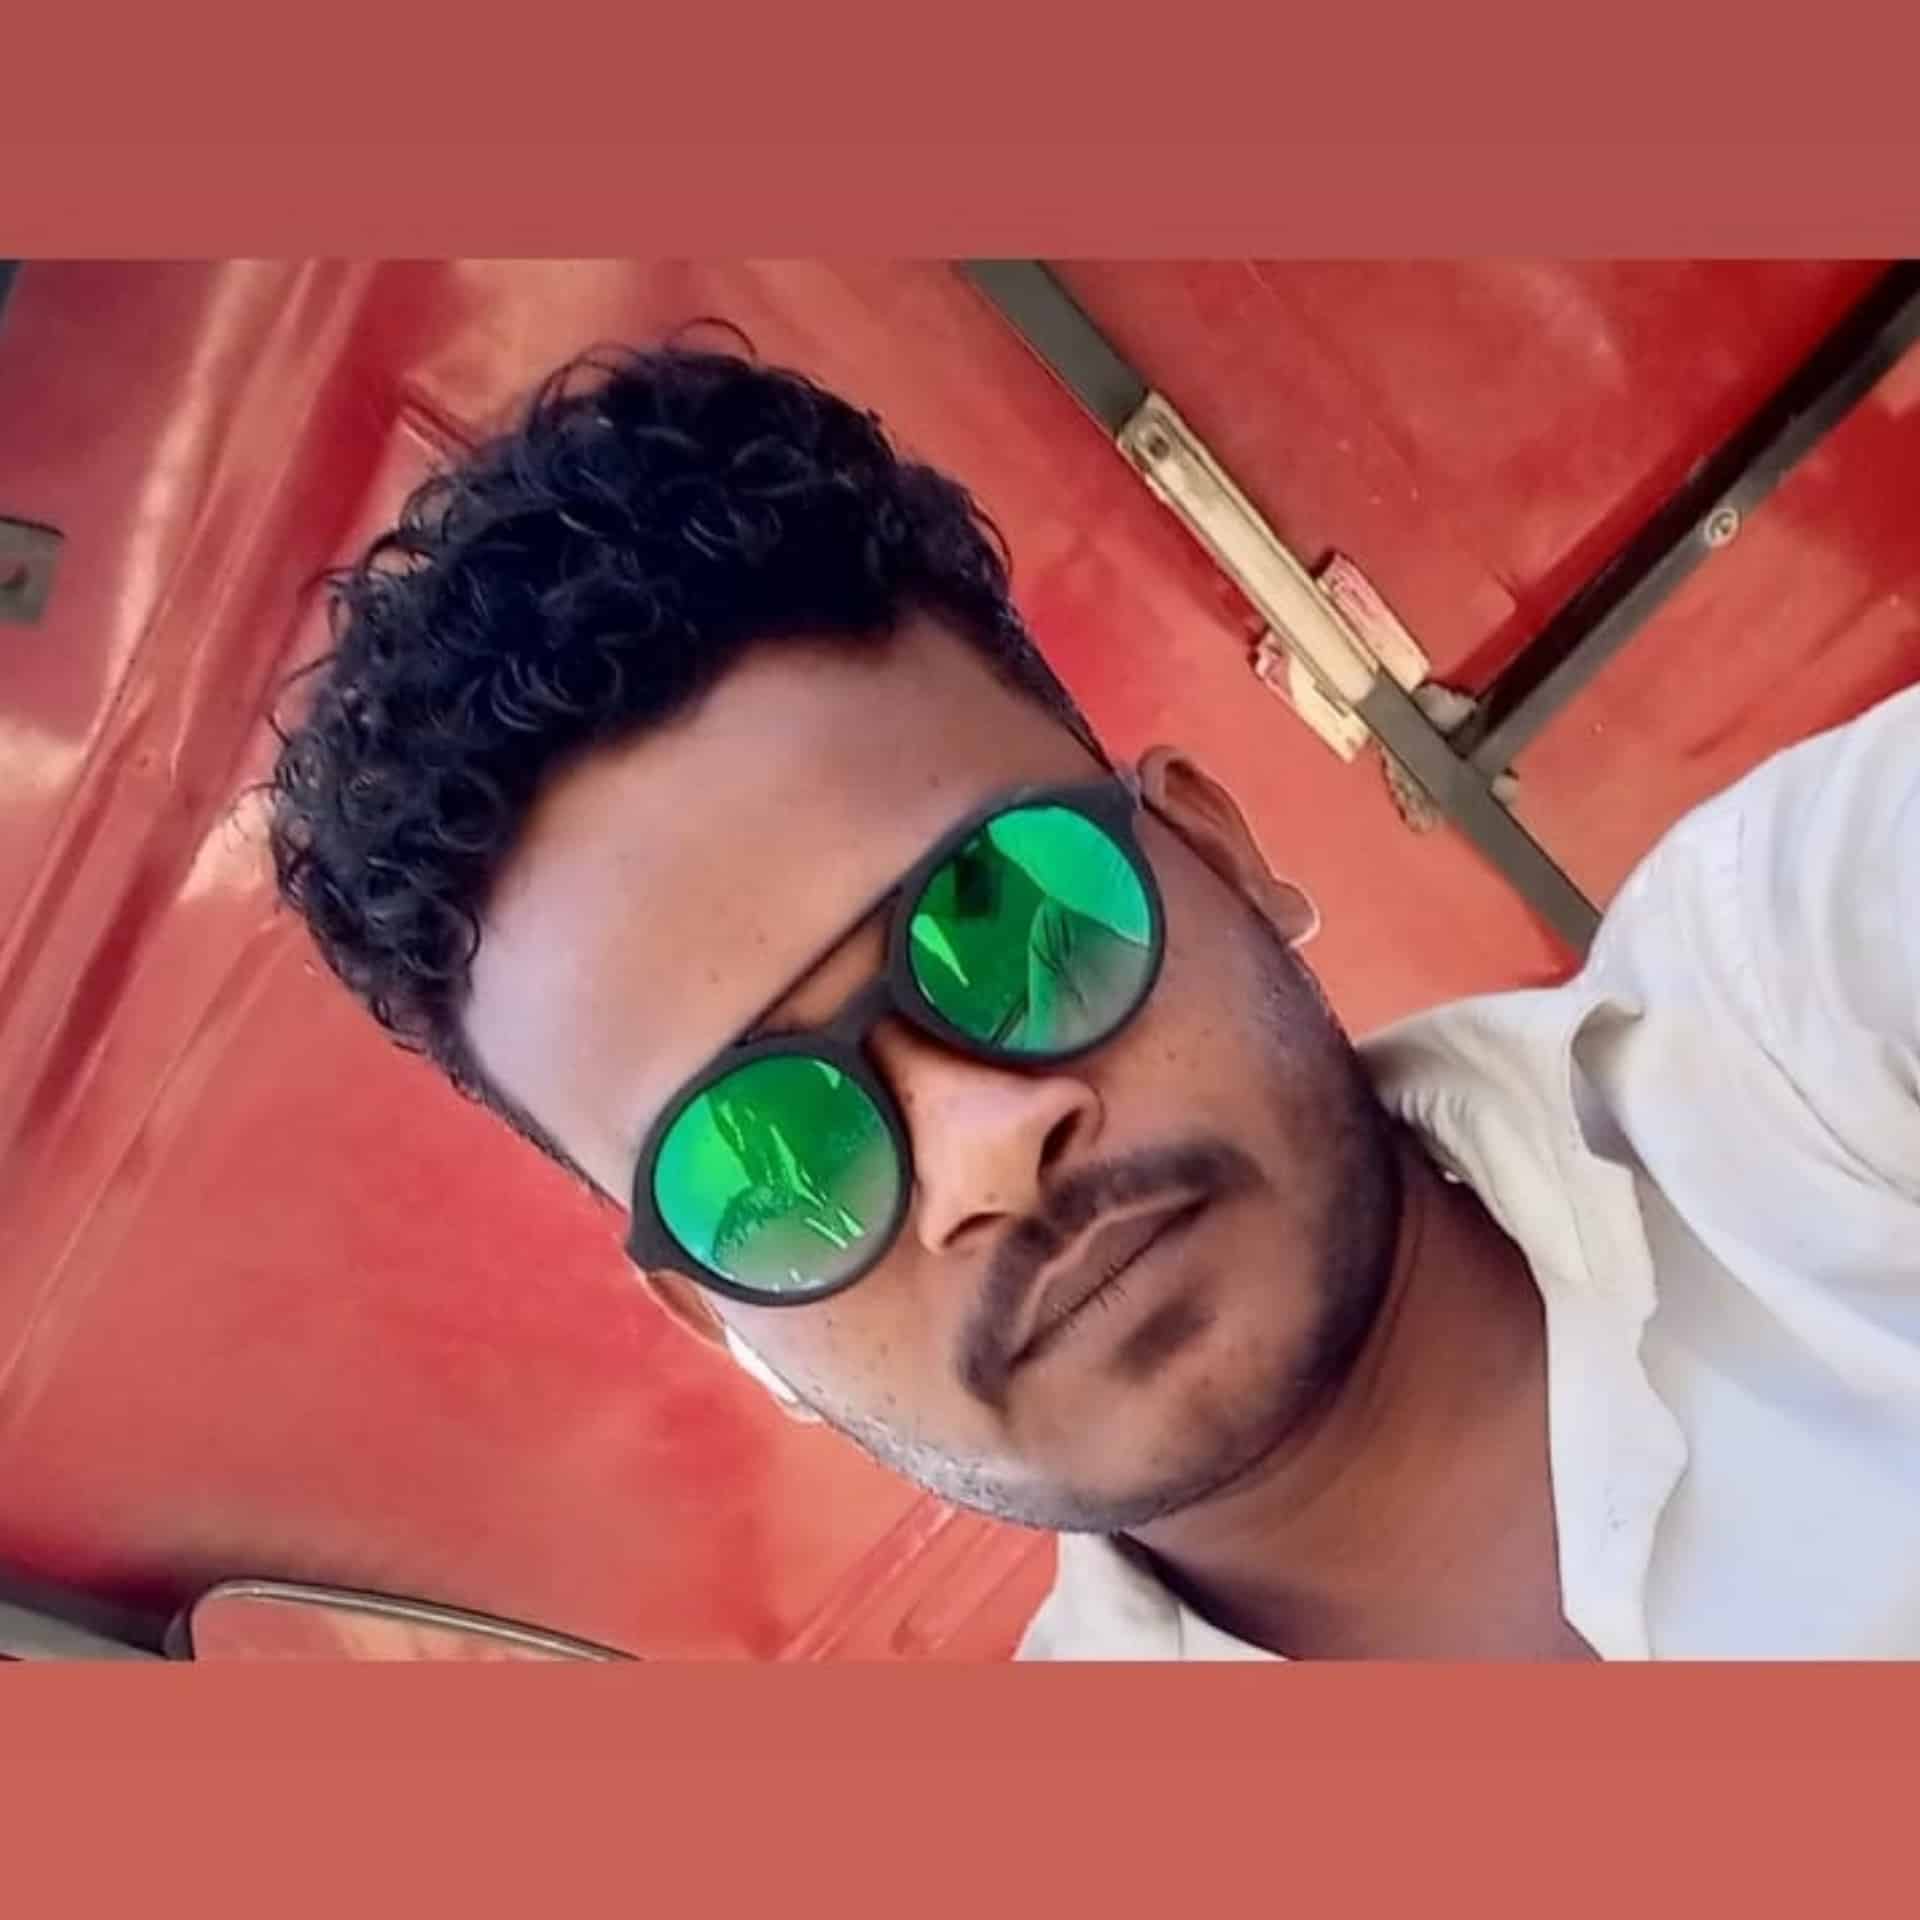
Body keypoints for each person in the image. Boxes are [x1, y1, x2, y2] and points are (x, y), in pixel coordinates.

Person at [267, 345, 1920, 1661]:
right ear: (727, 1327)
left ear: (1218, 850)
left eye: (1006, 923)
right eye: (770, 1153)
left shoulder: (1811, 1012)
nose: (987, 1153)